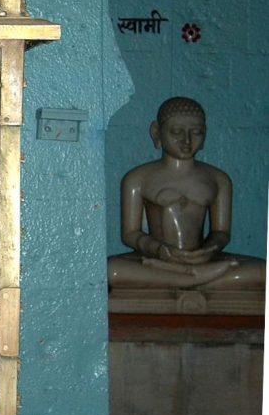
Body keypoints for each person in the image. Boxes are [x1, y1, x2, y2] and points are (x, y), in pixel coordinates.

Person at [107, 97, 265, 293]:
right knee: (113, 270)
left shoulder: (218, 179)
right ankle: (198, 279)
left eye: (196, 132)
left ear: (205, 134)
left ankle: (186, 278)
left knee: (263, 271)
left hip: (202, 260)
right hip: (157, 260)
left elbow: (221, 232)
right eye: (176, 132)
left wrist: (210, 249)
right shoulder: (138, 178)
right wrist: (158, 250)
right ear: (157, 132)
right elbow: (130, 233)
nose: (187, 141)